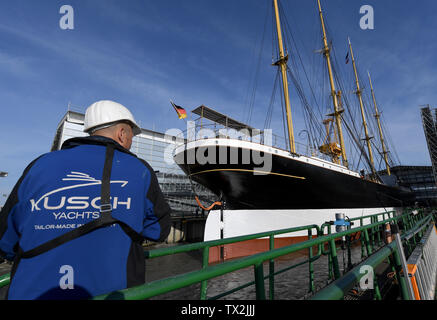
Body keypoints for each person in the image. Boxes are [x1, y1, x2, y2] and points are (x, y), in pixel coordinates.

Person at [0, 100, 171, 299]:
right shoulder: (138, 170)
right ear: (122, 134)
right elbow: (159, 229)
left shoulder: (39, 165)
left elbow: (5, 239)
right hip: (110, 292)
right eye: (132, 136)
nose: (131, 142)